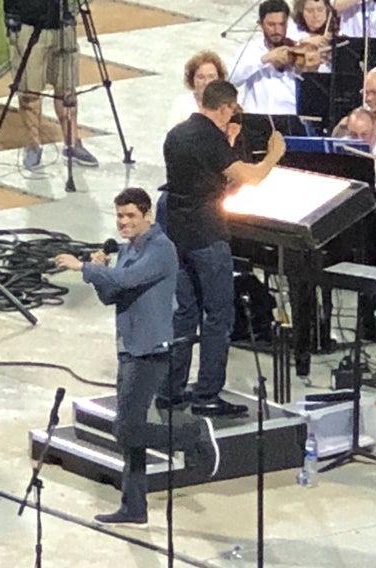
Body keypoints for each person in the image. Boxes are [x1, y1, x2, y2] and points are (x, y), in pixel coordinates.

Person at [55, 187, 220, 526]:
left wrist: (85, 267)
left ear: (148, 216)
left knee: (127, 430)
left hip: (150, 350)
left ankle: (193, 436)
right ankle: (134, 505)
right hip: (128, 347)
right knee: (132, 433)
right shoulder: (129, 250)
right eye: (119, 216)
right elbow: (114, 293)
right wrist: (100, 272)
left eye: (130, 216)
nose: (123, 222)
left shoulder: (161, 249)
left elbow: (128, 279)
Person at [159, 80, 285, 415]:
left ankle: (170, 388)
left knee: (184, 313)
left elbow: (203, 176)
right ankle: (207, 394)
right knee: (218, 315)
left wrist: (226, 144)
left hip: (176, 234)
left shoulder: (177, 134)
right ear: (226, 107)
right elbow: (252, 177)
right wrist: (274, 155)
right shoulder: (210, 139)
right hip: (207, 236)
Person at [0, 0, 98, 170]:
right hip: (26, 27)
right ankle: (33, 145)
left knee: (67, 90)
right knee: (29, 92)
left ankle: (72, 142)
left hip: (61, 24)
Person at [229, 0, 299, 114]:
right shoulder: (250, 49)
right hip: (256, 118)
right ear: (260, 24)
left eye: (281, 24)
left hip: (289, 117)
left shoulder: (296, 48)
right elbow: (232, 79)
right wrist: (264, 59)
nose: (277, 30)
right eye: (271, 25)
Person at [167, 50, 228, 128]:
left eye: (211, 77)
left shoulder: (227, 106)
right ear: (192, 80)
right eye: (201, 77)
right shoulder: (182, 104)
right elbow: (173, 136)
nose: (206, 82)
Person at [288, 0, 339, 72]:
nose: (316, 15)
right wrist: (306, 42)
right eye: (310, 11)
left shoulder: (335, 32)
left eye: (320, 10)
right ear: (301, 12)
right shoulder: (293, 29)